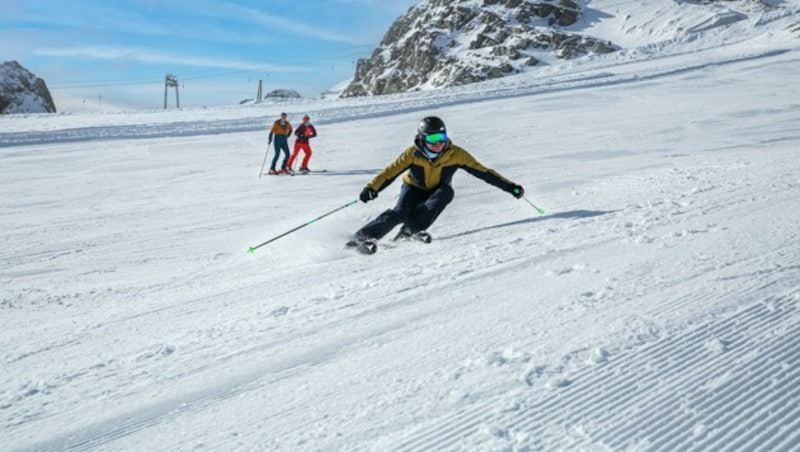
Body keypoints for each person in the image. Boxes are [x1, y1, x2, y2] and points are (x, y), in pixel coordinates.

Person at [350, 116, 524, 248]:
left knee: (446, 193)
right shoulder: (412, 153)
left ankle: (411, 230)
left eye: (442, 137)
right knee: (401, 212)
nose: (439, 143)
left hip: (438, 189)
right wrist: (371, 188)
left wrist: (510, 187)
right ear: (423, 138)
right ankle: (362, 237)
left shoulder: (456, 154)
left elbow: (484, 172)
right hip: (413, 187)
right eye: (433, 139)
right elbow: (390, 172)